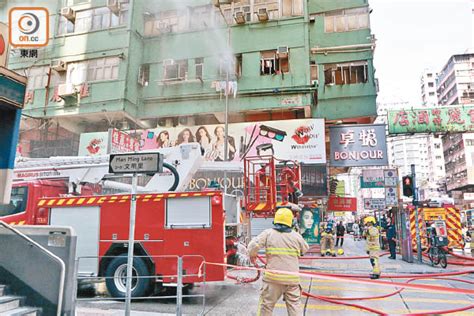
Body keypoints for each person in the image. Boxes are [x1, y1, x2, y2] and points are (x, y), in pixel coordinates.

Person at [248, 208, 309, 316]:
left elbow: (253, 246)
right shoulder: (296, 236)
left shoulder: (268, 234)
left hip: (273, 278)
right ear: (291, 222)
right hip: (292, 279)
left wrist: (252, 255)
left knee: (266, 306)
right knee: (295, 307)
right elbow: (305, 249)